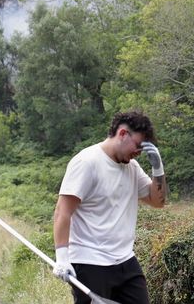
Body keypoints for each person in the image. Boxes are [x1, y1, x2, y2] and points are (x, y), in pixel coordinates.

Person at [52, 111, 167, 303]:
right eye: (138, 146)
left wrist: (158, 168)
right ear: (122, 134)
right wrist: (62, 258)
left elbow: (158, 202)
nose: (139, 153)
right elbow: (62, 212)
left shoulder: (131, 167)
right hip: (90, 262)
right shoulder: (87, 162)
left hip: (125, 261)